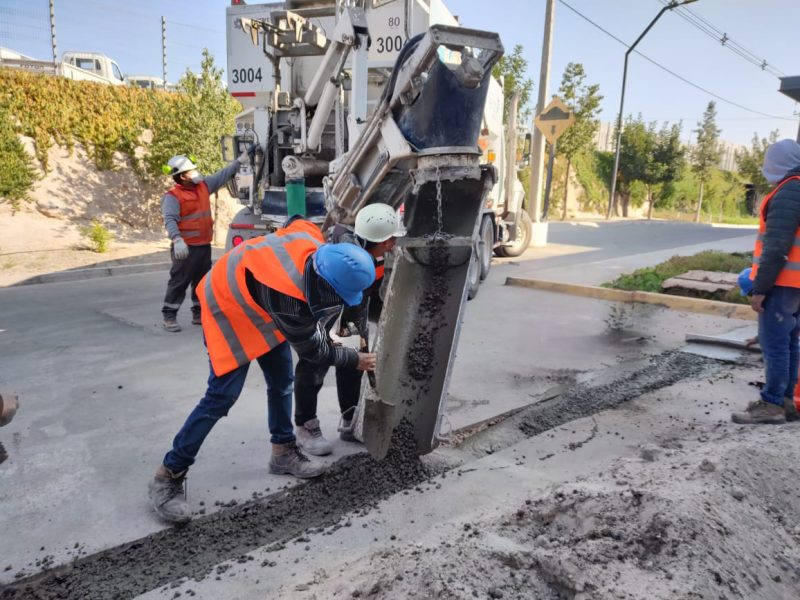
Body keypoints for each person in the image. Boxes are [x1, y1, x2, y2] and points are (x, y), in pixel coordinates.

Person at [147, 217, 377, 523]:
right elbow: (315, 350)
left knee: (282, 381)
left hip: (257, 298)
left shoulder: (314, 244)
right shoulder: (289, 301)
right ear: (324, 283)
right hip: (227, 305)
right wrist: (355, 359)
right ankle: (168, 474)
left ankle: (282, 452)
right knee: (221, 396)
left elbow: (297, 221)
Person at [293, 204, 405, 455]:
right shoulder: (346, 253)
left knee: (354, 364)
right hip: (325, 310)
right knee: (313, 367)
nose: (395, 243)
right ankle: (305, 426)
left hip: (353, 311)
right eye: (393, 239)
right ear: (383, 240)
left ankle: (349, 419)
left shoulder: (373, 246)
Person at [732, 139, 800, 425]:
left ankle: (771, 404)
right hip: (795, 285)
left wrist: (760, 289)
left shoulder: (788, 191)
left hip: (783, 282)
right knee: (789, 342)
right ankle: (785, 402)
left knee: (776, 345)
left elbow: (776, 245)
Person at [160, 151, 251, 332]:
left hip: (203, 245)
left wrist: (239, 161)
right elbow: (170, 219)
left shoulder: (203, 186)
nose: (196, 172)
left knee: (201, 282)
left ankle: (198, 313)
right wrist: (177, 239)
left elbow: (223, 175)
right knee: (179, 281)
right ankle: (169, 316)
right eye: (192, 171)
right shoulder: (173, 196)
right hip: (185, 248)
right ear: (182, 176)